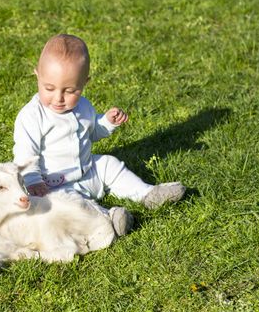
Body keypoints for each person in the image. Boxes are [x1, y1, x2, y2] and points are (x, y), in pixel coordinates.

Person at [13, 34, 185, 221]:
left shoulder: (84, 107)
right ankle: (108, 220)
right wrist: (32, 180)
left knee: (108, 164)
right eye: (49, 88)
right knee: (69, 205)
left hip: (88, 172)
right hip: (52, 185)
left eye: (70, 91)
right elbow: (25, 153)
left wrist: (106, 122)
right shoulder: (32, 116)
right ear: (37, 75)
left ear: (84, 83)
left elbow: (92, 133)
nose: (59, 98)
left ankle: (147, 194)